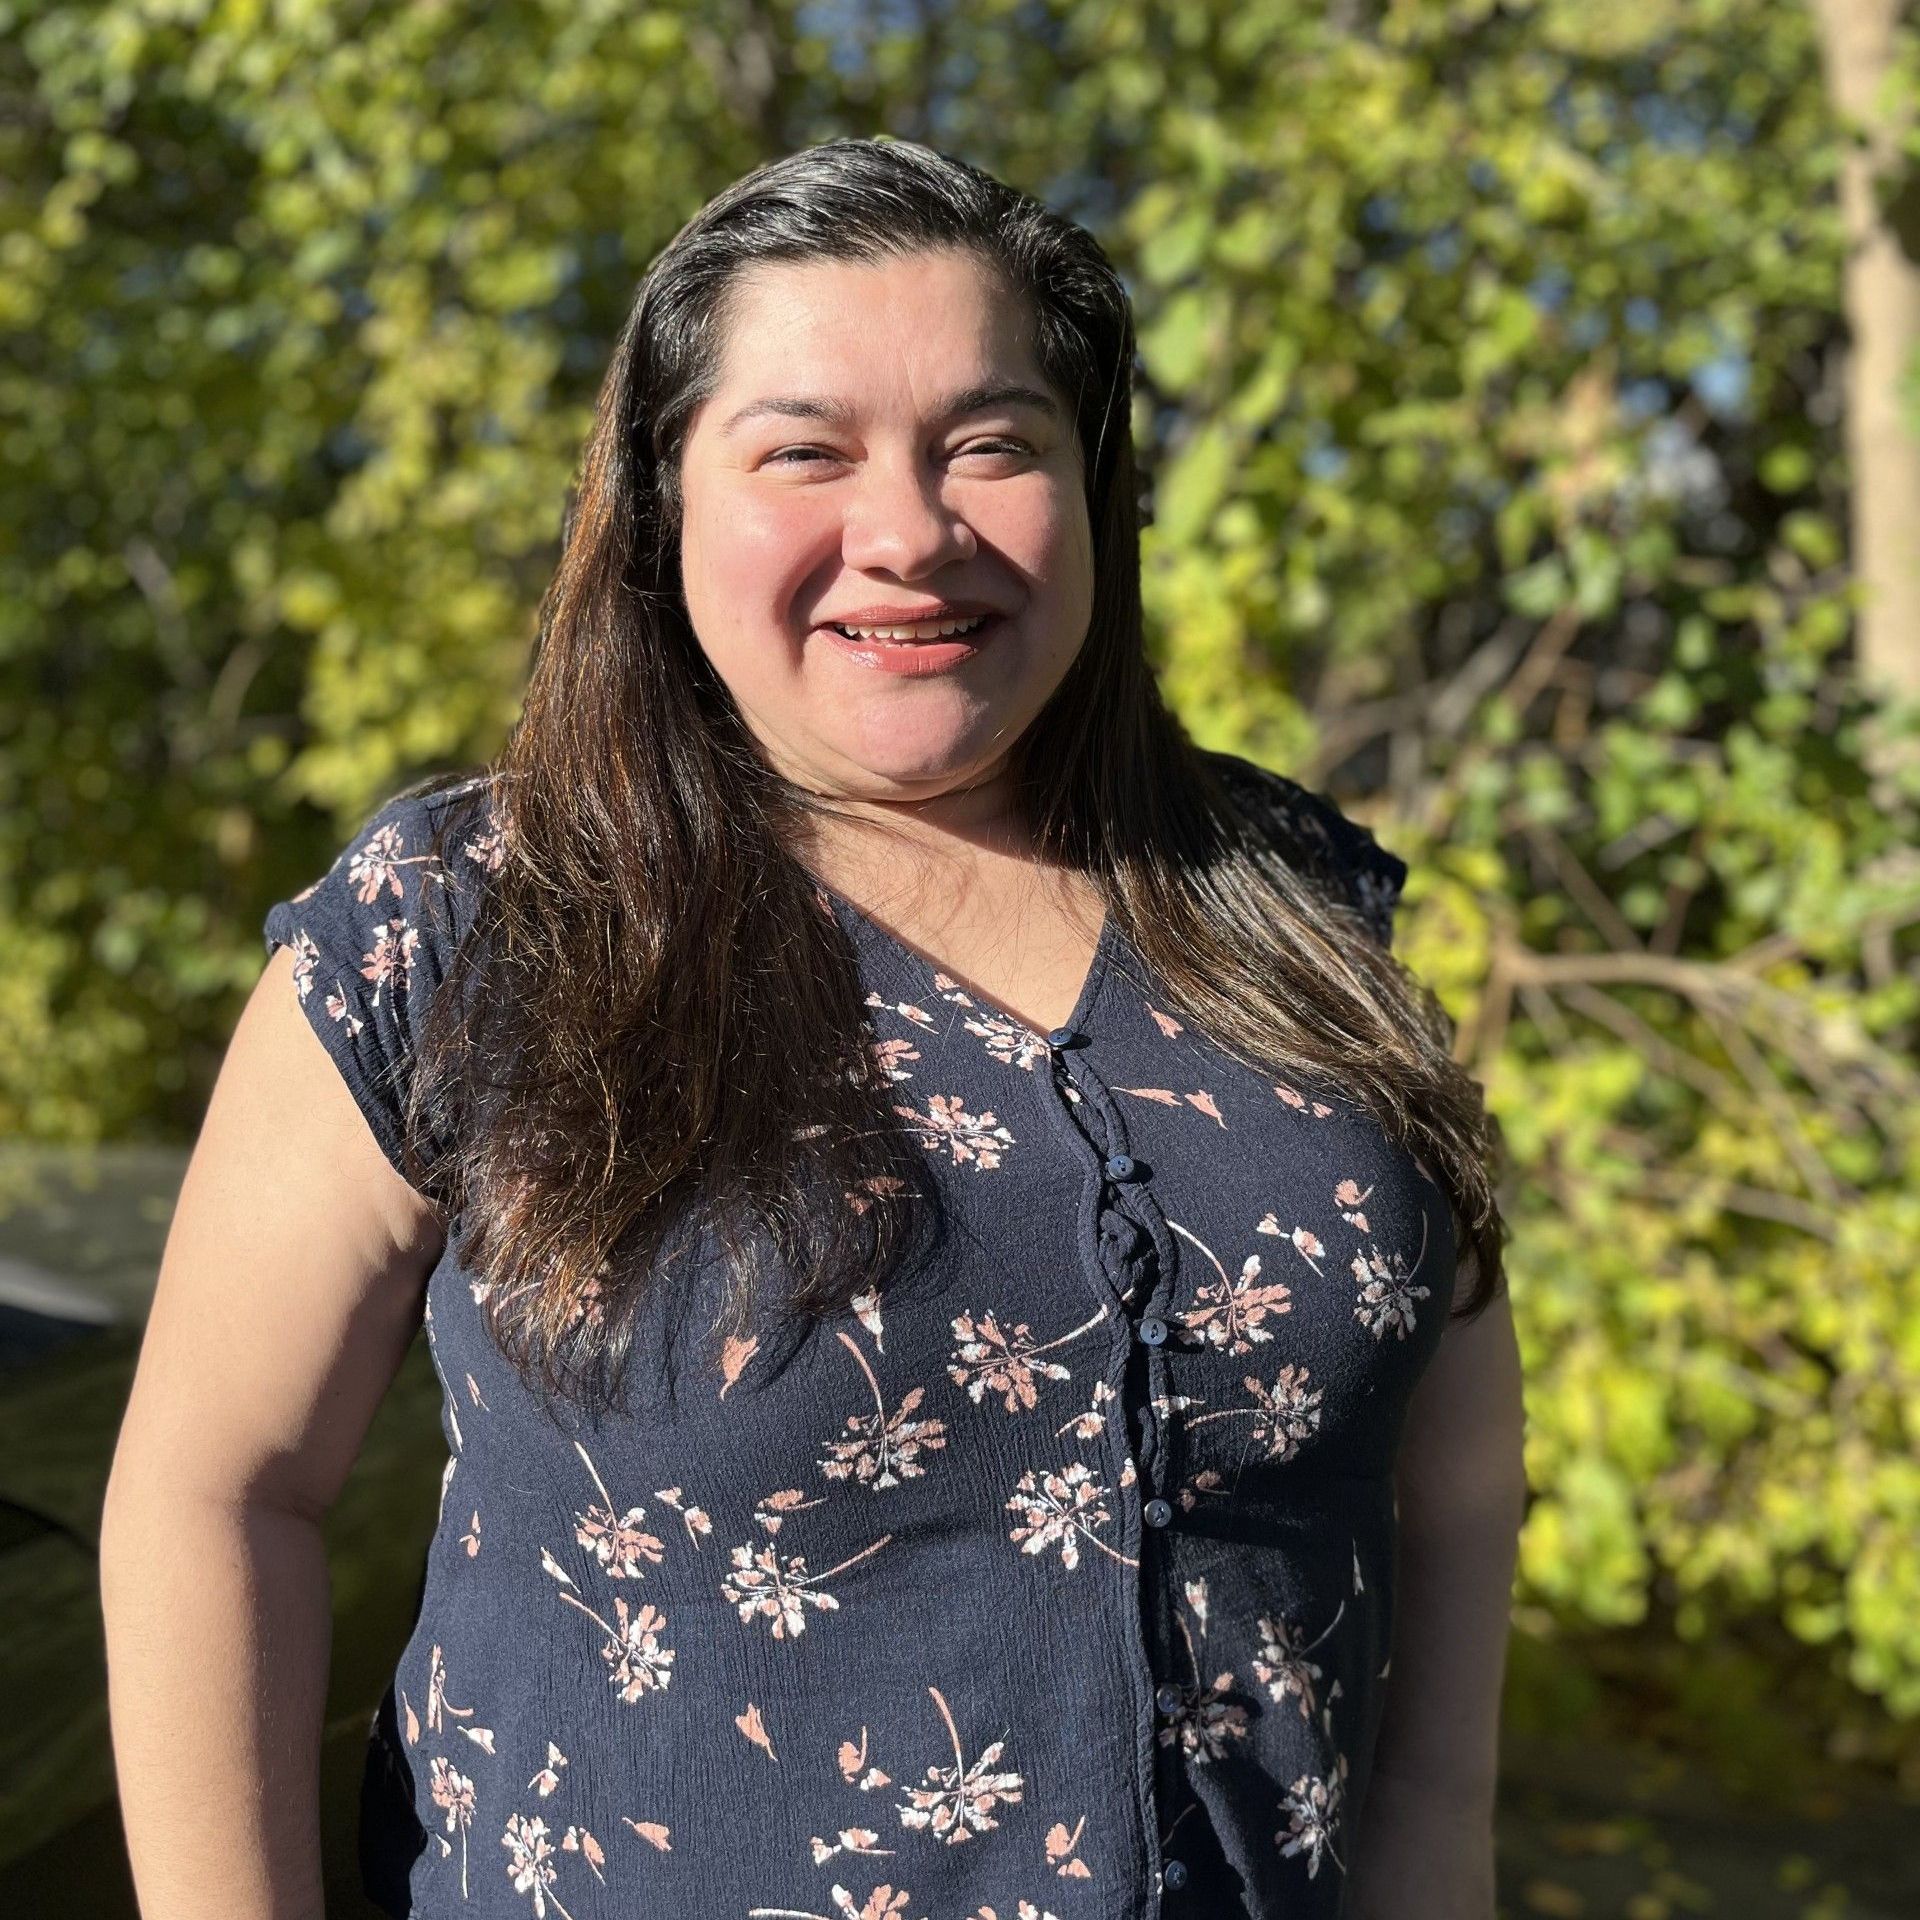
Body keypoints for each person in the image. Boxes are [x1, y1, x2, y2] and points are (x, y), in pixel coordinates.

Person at [100, 135, 1525, 1920]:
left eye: (992, 443)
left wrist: (1441, 1846)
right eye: (806, 451)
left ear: (1099, 490)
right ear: (662, 499)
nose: (911, 529)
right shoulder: (465, 923)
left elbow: (1453, 1478)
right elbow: (213, 1491)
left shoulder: (1293, 904)